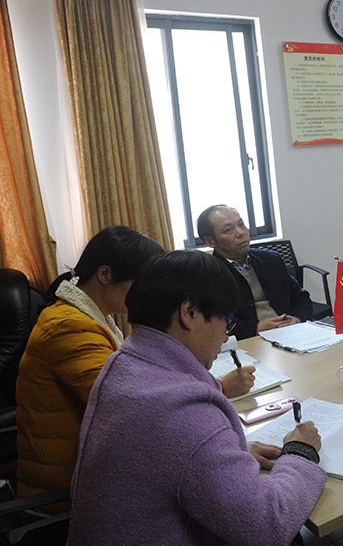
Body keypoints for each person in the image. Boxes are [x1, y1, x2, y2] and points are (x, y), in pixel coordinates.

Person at [67, 250, 325, 545]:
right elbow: (268, 524)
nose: (225, 337)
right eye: (226, 321)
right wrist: (300, 452)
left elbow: (168, 454)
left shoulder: (123, 364)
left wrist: (224, 453)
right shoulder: (182, 410)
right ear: (189, 313)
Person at [15, 227, 164, 505]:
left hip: (93, 471)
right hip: (67, 496)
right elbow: (126, 402)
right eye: (141, 284)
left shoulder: (91, 316)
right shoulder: (68, 325)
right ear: (105, 274)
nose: (147, 295)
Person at [198, 205, 313, 340]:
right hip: (249, 341)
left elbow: (301, 298)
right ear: (210, 241)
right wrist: (255, 328)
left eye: (241, 224)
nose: (240, 233)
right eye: (228, 230)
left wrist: (297, 319)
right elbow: (210, 324)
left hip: (290, 334)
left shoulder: (271, 260)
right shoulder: (207, 275)